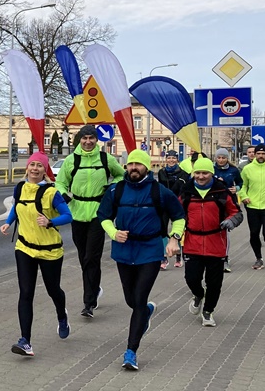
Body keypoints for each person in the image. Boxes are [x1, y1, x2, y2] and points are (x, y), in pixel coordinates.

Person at [97, 149, 186, 371]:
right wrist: (112, 232)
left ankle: (131, 352)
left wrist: (174, 239)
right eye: (130, 164)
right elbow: (103, 216)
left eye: (138, 164)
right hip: (124, 250)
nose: (133, 168)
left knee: (138, 300)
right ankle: (146, 311)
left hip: (150, 250)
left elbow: (179, 217)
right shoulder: (116, 190)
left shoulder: (160, 191)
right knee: (131, 300)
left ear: (147, 167)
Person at [1, 152, 73, 357]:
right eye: (32, 165)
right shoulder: (20, 187)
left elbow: (69, 216)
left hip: (50, 250)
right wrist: (8, 222)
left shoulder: (52, 193)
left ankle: (62, 315)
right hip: (24, 248)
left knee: (53, 290)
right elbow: (17, 206)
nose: (35, 169)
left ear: (44, 170)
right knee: (25, 293)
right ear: (27, 168)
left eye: (39, 166)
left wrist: (50, 222)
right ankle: (25, 341)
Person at [55, 123, 125, 318]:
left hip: (98, 213)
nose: (87, 142)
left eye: (91, 138)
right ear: (80, 140)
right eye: (84, 138)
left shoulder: (105, 158)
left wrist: (110, 189)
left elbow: (121, 175)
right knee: (83, 256)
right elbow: (60, 181)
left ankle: (89, 303)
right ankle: (95, 288)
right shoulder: (71, 160)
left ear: (96, 140)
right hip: (77, 212)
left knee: (91, 257)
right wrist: (63, 194)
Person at [175, 157, 243, 327]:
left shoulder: (222, 192)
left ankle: (208, 312)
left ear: (211, 174)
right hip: (192, 242)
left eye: (205, 173)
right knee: (192, 278)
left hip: (216, 242)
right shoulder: (186, 192)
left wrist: (231, 221)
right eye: (197, 173)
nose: (201, 176)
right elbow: (177, 215)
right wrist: (174, 236)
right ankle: (198, 295)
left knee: (214, 283)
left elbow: (237, 213)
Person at [212, 148, 243, 273]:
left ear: (227, 158)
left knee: (225, 231)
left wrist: (237, 188)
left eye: (223, 158)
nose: (221, 160)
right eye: (219, 157)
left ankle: (225, 259)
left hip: (228, 202)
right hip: (213, 201)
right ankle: (212, 257)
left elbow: (241, 182)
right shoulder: (211, 169)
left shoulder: (233, 170)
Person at [157, 149, 184, 269]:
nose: (171, 160)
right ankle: (164, 257)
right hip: (163, 204)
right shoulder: (161, 172)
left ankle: (178, 255)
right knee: (162, 229)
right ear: (166, 159)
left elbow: (183, 191)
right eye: (169, 158)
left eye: (173, 158)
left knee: (177, 229)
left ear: (177, 159)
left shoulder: (183, 174)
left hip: (176, 205)